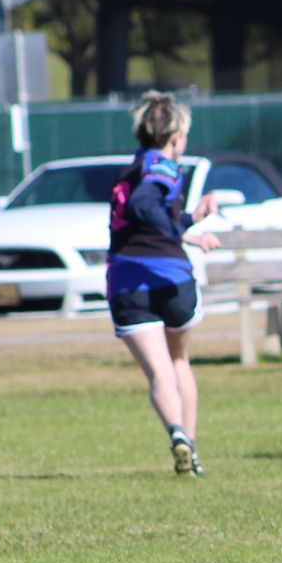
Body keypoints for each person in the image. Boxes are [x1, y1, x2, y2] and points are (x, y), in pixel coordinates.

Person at [106, 92, 221, 476]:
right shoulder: (164, 167)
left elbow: (145, 215)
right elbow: (145, 205)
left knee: (159, 374)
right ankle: (191, 446)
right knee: (178, 361)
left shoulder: (129, 170)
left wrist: (188, 221)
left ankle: (177, 434)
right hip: (170, 279)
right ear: (175, 137)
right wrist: (177, 232)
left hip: (126, 281)